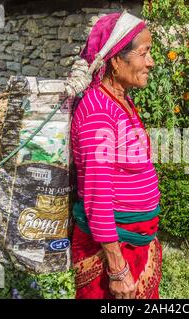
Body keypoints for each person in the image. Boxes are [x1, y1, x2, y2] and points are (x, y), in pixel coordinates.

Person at [70, 11, 162, 299]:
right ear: (115, 60)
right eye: (144, 53)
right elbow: (97, 194)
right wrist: (118, 269)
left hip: (135, 242)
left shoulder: (120, 101)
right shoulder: (98, 111)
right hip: (113, 253)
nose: (151, 62)